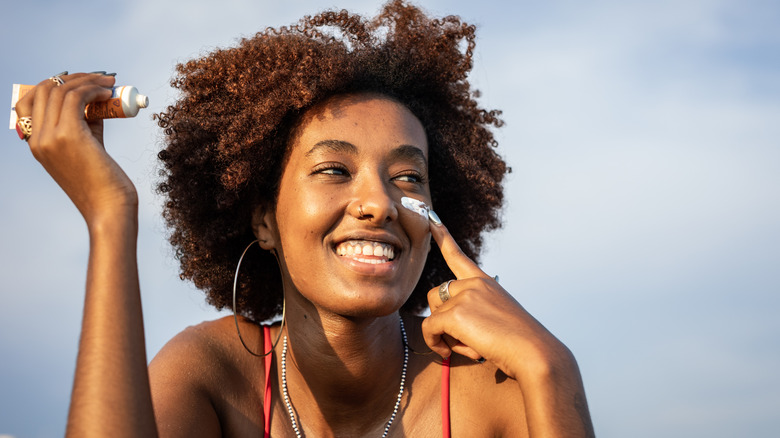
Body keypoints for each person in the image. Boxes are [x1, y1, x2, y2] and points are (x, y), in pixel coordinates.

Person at [14, 1, 594, 436]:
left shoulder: (487, 388)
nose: (380, 203)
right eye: (335, 170)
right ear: (263, 221)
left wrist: (552, 369)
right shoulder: (211, 375)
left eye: (408, 178)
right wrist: (111, 218)